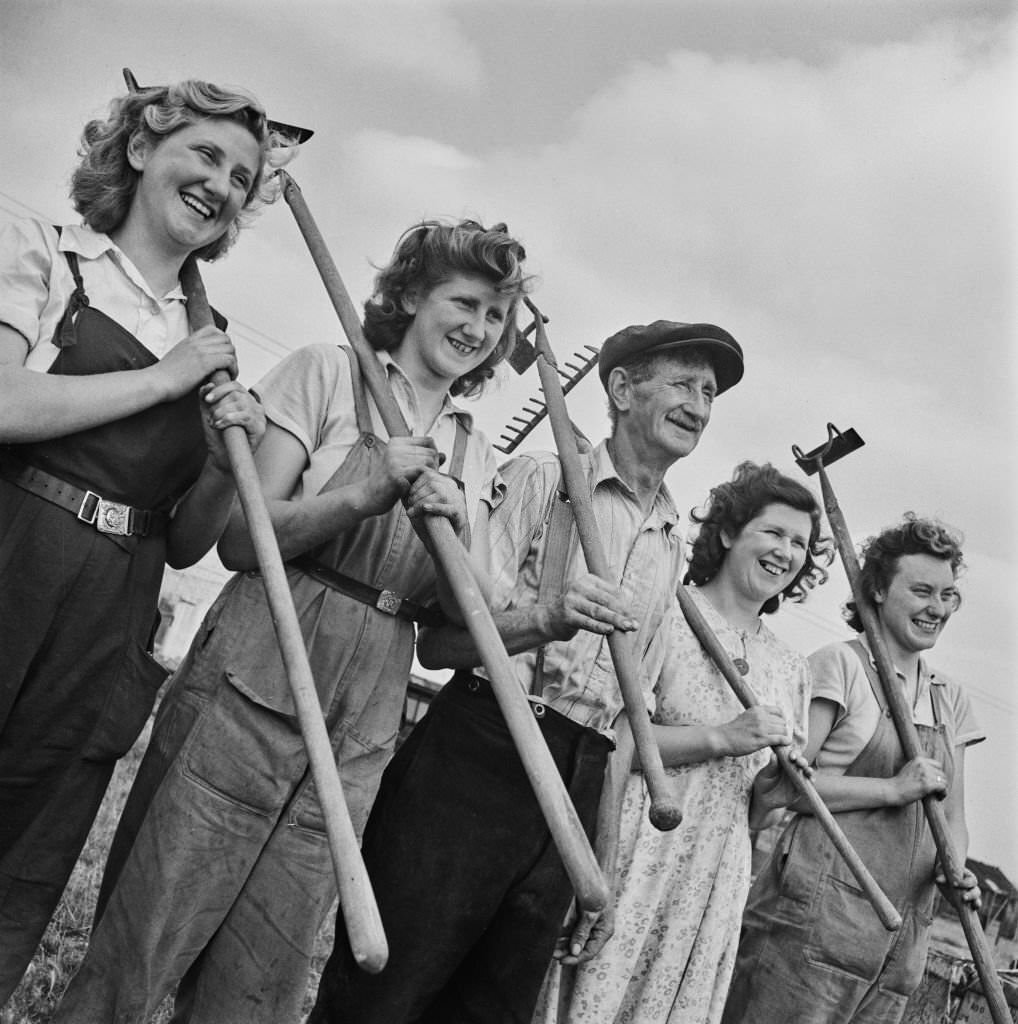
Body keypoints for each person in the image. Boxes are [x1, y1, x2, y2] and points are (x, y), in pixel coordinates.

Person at [53, 217, 529, 1024]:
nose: (478, 330)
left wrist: (455, 535)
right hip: (262, 661)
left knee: (265, 972)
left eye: (494, 318)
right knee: (152, 926)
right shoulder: (327, 373)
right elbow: (244, 538)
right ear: (411, 295)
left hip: (367, 708)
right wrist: (362, 494)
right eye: (465, 302)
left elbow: (466, 620)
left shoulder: (472, 449)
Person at [309, 319, 747, 1024]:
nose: (699, 401)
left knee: (489, 1014)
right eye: (682, 381)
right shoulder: (543, 482)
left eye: (709, 390)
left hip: (577, 783)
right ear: (623, 388)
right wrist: (546, 616)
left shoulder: (670, 544)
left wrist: (598, 859)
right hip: (480, 754)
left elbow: (626, 729)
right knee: (380, 1000)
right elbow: (441, 643)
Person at [0, 77, 273, 1001]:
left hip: (115, 600)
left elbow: (191, 542)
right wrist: (167, 380)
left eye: (242, 175)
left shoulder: (213, 340)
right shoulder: (41, 252)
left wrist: (230, 466)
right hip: (16, 551)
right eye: (204, 153)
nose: (223, 183)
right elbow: (6, 403)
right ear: (139, 147)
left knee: (29, 841)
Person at [536, 460, 830, 1024]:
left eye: (800, 543)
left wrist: (777, 787)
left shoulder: (791, 667)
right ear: (726, 532)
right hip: (639, 848)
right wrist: (722, 737)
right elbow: (616, 735)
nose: (785, 551)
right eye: (773, 532)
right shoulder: (669, 611)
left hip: (715, 876)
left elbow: (757, 811)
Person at [722, 514, 985, 1024]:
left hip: (900, 951)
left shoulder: (948, 698)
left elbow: (953, 815)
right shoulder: (839, 666)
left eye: (948, 595)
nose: (936, 608)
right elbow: (785, 789)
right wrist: (892, 788)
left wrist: (953, 869)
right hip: (811, 930)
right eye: (922, 591)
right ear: (880, 591)